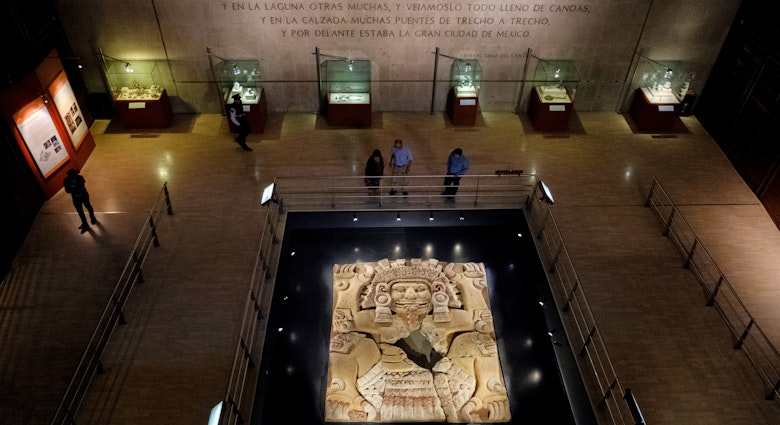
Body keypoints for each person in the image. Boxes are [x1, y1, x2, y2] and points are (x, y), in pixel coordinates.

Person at [63, 168, 98, 233]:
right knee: (80, 211)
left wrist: (72, 188)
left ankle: (92, 218)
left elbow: (81, 188)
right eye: (74, 175)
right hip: (76, 198)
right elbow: (67, 191)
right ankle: (84, 223)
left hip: (84, 196)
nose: (76, 175)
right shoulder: (66, 180)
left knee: (88, 206)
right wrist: (76, 188)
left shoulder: (80, 178)